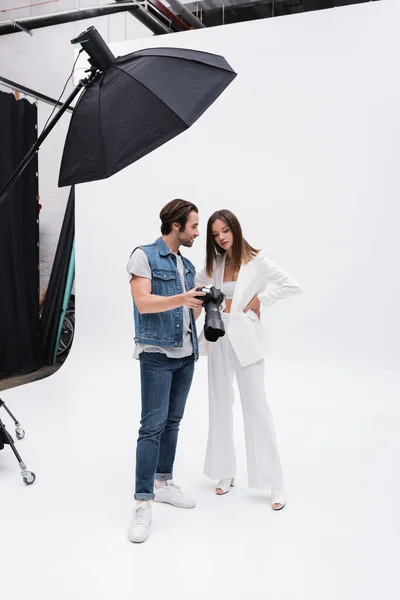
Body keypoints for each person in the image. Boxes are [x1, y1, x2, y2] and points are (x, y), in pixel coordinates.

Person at [196, 209, 302, 510]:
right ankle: (224, 472)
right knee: (219, 403)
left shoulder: (257, 259)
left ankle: (273, 482)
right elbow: (197, 286)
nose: (221, 237)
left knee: (256, 407)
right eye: (216, 234)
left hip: (247, 341)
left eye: (225, 230)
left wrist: (260, 300)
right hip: (217, 339)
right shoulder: (213, 263)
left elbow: (291, 284)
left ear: (235, 228)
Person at [126, 199, 205, 543]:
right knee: (151, 427)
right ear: (176, 225)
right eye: (193, 227)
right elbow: (143, 302)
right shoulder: (143, 256)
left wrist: (202, 305)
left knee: (173, 422)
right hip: (156, 354)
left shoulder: (187, 266)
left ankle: (163, 482)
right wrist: (183, 299)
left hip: (186, 355)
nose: (197, 233)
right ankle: (143, 503)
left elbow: (187, 315)